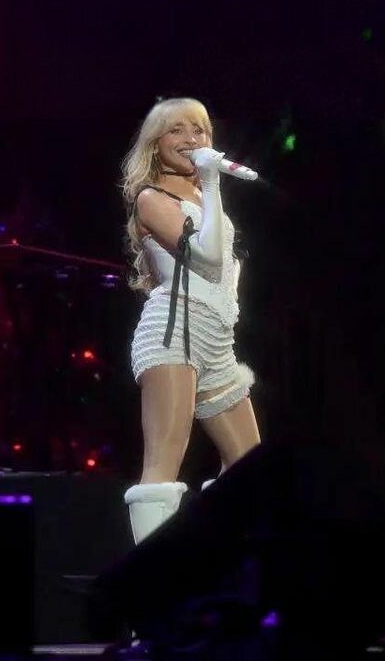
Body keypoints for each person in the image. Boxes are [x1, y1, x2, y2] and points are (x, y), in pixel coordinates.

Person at [121, 97, 259, 543]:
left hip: (216, 339)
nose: (191, 138)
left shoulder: (203, 196)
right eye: (177, 130)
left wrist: (209, 187)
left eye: (199, 130)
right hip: (174, 331)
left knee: (251, 468)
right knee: (163, 464)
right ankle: (151, 575)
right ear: (156, 143)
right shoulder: (151, 198)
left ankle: (215, 561)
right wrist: (214, 182)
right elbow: (209, 257)